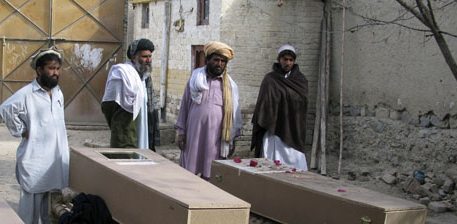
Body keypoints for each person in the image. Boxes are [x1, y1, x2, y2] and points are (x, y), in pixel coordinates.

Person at [0, 47, 70, 224]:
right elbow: (4, 110)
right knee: (31, 199)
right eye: (50, 68)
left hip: (55, 155)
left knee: (51, 197)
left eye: (57, 68)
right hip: (35, 155)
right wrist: (21, 130)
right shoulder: (27, 94)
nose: (55, 72)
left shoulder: (58, 92)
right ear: (39, 70)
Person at [174, 41, 241, 180]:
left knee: (211, 171)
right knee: (189, 172)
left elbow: (234, 115)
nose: (220, 64)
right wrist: (181, 132)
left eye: (223, 61)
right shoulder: (195, 79)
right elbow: (185, 105)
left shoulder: (231, 86)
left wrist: (232, 139)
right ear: (208, 59)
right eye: (216, 60)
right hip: (194, 133)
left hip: (216, 137)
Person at [251, 44, 309, 170]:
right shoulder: (270, 79)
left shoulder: (301, 81)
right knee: (273, 163)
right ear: (279, 60)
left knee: (294, 162)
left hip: (293, 128)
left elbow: (302, 103)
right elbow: (263, 103)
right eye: (285, 59)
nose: (288, 63)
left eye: (291, 60)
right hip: (274, 129)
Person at [101, 39, 160, 150]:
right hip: (125, 130)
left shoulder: (145, 78)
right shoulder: (122, 74)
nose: (148, 60)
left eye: (150, 56)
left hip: (144, 128)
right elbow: (108, 106)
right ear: (134, 58)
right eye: (144, 57)